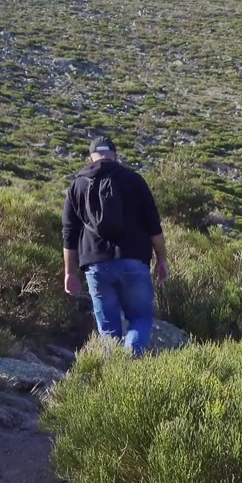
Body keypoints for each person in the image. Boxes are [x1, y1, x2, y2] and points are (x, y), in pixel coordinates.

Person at [62, 135, 168, 355]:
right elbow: (154, 227)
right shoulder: (134, 180)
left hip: (96, 266)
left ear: (90, 158)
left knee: (108, 332)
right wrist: (162, 261)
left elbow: (69, 234)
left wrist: (69, 273)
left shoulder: (77, 186)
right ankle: (130, 364)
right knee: (140, 319)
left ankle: (114, 373)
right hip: (134, 261)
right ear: (115, 156)